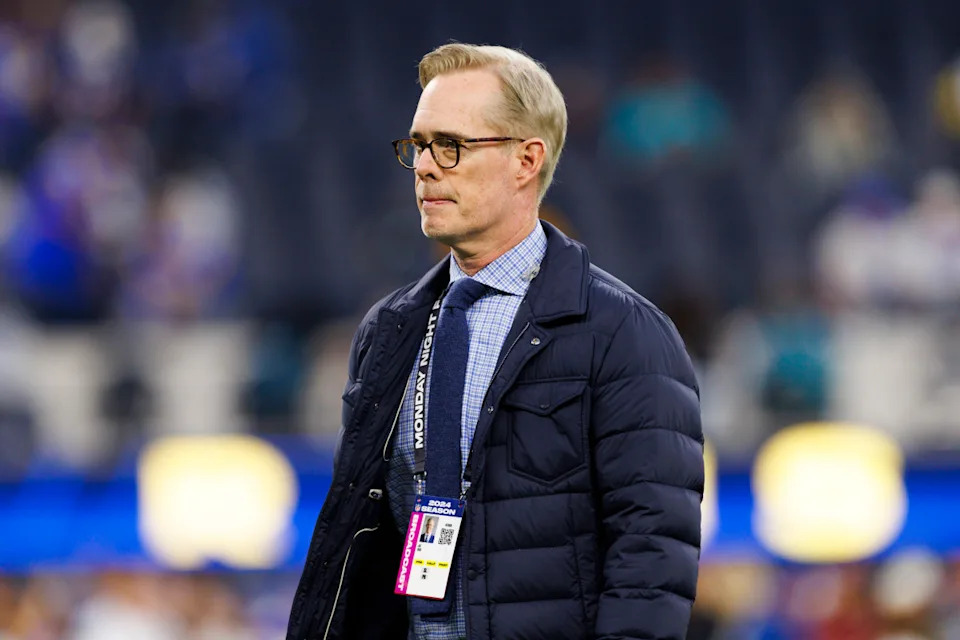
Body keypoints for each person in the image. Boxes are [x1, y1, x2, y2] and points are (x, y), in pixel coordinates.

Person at [287, 43, 704, 640]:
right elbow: (361, 539)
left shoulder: (624, 334)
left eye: (451, 146)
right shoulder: (388, 331)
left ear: (526, 160)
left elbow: (651, 561)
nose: (426, 166)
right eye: (419, 146)